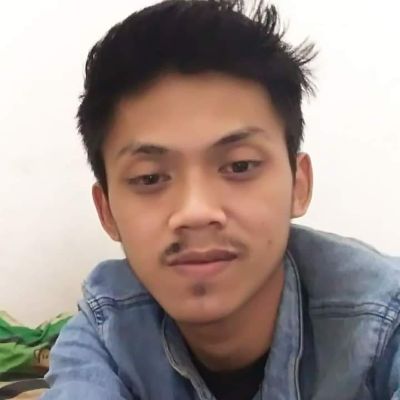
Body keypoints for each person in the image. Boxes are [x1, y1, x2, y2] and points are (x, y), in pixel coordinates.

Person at [41, 1, 400, 399]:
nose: (196, 212)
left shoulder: (384, 321)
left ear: (299, 185)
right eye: (149, 178)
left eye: (240, 166)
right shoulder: (107, 331)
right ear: (107, 211)